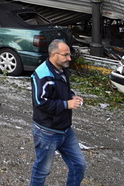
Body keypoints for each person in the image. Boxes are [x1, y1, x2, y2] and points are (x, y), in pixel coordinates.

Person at [29, 40, 86, 186]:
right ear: (54, 55)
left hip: (65, 130)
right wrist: (67, 104)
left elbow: (60, 92)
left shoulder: (62, 70)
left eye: (69, 54)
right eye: (65, 55)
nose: (69, 58)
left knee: (79, 165)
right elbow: (40, 103)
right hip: (47, 132)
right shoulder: (42, 75)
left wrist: (71, 96)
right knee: (42, 171)